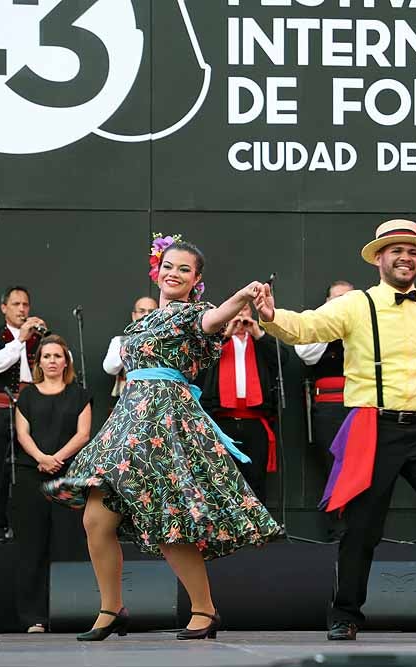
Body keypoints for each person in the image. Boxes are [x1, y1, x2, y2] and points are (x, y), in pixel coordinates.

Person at [256, 219, 416, 641]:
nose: (405, 257)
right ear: (379, 258)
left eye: (412, 251)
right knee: (361, 527)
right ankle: (345, 613)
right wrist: (272, 317)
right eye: (396, 250)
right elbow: (308, 327)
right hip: (372, 427)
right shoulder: (356, 305)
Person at [43, 235, 281, 642]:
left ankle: (204, 610)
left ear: (196, 279)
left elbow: (215, 318)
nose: (174, 274)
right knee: (96, 518)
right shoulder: (143, 321)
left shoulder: (197, 314)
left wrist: (243, 296)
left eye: (184, 269)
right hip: (128, 420)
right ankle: (111, 608)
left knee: (169, 521)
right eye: (168, 266)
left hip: (164, 422)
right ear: (158, 269)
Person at [14, 334, 93, 632]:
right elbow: (22, 433)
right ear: (39, 362)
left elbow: (83, 434)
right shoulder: (28, 395)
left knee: (69, 543)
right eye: (46, 356)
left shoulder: (80, 395)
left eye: (57, 356)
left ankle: (70, 611)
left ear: (66, 361)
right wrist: (42, 458)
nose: (52, 361)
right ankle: (34, 618)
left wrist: (56, 458)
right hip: (31, 475)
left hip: (69, 476)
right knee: (32, 548)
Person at [195, 303, 282, 504]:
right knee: (223, 476)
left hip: (255, 420)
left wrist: (258, 334)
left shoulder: (260, 343)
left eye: (245, 311)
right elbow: (200, 366)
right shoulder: (216, 343)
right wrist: (225, 335)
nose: (240, 316)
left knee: (256, 476)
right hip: (221, 421)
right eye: (236, 312)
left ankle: (257, 529)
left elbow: (282, 360)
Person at [0, 286, 46, 538]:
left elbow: (59, 361)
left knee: (31, 467)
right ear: (4, 308)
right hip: (1, 408)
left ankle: (29, 525)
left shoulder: (38, 336)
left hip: (32, 410)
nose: (21, 309)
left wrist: (46, 338)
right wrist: (19, 341)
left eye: (25, 305)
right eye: (16, 304)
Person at [295, 280, 354, 540]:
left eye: (347, 298)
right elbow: (306, 354)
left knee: (361, 467)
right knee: (334, 466)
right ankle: (336, 528)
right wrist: (331, 319)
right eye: (337, 298)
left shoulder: (361, 327)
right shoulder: (320, 325)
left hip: (360, 404)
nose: (342, 303)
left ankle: (359, 527)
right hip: (329, 407)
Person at [103, 296, 158, 398]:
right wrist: (129, 345)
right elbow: (109, 368)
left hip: (159, 396)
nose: (146, 315)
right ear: (134, 316)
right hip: (130, 399)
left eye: (151, 311)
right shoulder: (120, 341)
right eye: (142, 311)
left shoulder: (166, 339)